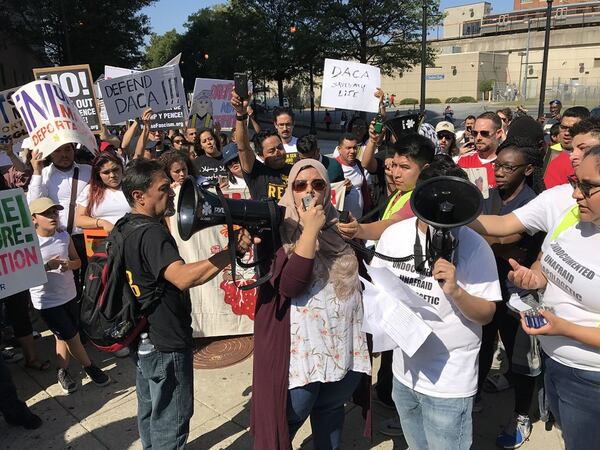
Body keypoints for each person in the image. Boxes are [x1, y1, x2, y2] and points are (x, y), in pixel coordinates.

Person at [121, 158, 255, 449]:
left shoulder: (125, 226)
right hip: (166, 341)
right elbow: (181, 278)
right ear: (139, 196)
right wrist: (229, 253)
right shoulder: (151, 233)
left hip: (142, 337)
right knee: (173, 420)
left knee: (151, 412)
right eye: (163, 189)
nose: (170, 194)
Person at [371, 161, 500, 450]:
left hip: (449, 383)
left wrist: (456, 291)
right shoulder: (394, 236)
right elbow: (379, 291)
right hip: (404, 375)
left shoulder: (476, 247)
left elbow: (487, 314)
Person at [251, 159, 370, 450]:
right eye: (300, 185)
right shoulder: (276, 228)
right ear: (290, 190)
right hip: (302, 357)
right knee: (288, 421)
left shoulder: (341, 221)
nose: (310, 191)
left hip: (344, 348)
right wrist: (309, 231)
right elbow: (291, 285)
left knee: (330, 413)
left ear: (327, 189)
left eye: (318, 184)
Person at [507, 146, 600, 450]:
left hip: (590, 379)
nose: (575, 194)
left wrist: (564, 328)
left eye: (587, 187)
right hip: (555, 364)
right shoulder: (576, 221)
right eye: (576, 182)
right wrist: (535, 277)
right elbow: (548, 264)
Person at [477, 139, 544, 448]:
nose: (499, 172)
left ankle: (521, 414)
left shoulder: (534, 204)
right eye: (497, 165)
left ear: (528, 169)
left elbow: (505, 237)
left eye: (508, 167)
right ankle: (475, 393)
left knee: (522, 359)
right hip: (488, 287)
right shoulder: (490, 195)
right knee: (483, 344)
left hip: (520, 294)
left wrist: (479, 234)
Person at [29, 197, 111, 394]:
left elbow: (77, 262)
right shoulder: (30, 244)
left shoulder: (63, 236)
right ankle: (90, 367)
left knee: (62, 336)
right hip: (46, 301)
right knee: (72, 336)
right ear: (34, 218)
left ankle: (62, 371)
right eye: (47, 214)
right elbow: (27, 276)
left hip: (68, 295)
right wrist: (47, 267)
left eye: (55, 212)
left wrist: (69, 265)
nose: (53, 217)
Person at [27, 143, 92, 299]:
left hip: (88, 234)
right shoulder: (44, 174)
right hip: (62, 238)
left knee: (92, 277)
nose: (64, 154)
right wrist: (37, 171)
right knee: (69, 279)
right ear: (50, 154)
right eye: (57, 151)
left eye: (68, 149)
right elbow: (34, 204)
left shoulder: (88, 171)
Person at [232, 91, 292, 201]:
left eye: (280, 148)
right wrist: (241, 114)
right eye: (271, 151)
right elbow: (243, 147)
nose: (278, 153)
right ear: (261, 155)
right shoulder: (256, 172)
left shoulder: (295, 171)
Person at [75, 151, 129, 234]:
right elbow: (79, 220)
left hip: (131, 238)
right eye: (106, 172)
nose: (112, 175)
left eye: (115, 170)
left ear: (122, 168)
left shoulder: (132, 187)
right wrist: (101, 223)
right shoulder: (90, 190)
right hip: (103, 242)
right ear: (98, 174)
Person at [543, 106, 590, 189]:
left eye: (572, 129)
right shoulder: (548, 153)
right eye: (563, 128)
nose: (566, 133)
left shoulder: (592, 159)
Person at [457, 111, 504, 191]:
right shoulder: (463, 161)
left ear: (498, 133)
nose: (478, 137)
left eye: (484, 133)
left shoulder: (507, 164)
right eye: (475, 133)